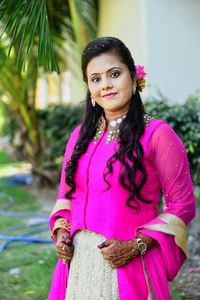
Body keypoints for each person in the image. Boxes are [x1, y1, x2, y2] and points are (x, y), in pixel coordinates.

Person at [48, 37, 196, 300]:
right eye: (96, 79)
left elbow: (182, 205)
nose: (105, 84)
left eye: (114, 74)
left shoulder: (158, 135)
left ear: (133, 77)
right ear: (89, 89)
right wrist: (61, 233)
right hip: (79, 266)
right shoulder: (79, 137)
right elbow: (66, 197)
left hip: (130, 266)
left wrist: (136, 245)